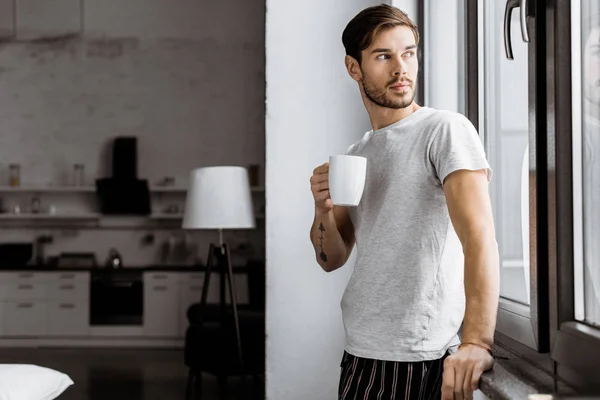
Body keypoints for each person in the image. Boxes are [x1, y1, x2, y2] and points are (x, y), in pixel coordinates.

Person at [309, 5, 499, 400]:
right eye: (384, 56)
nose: (402, 69)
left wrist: (476, 343)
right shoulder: (358, 151)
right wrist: (322, 208)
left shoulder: (444, 130)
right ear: (353, 68)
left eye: (408, 52)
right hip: (359, 351)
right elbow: (331, 259)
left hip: (419, 356)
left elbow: (479, 239)